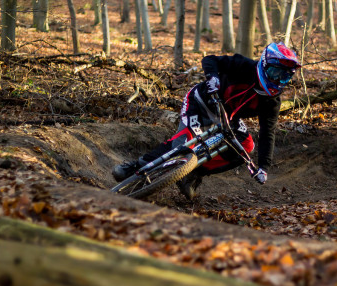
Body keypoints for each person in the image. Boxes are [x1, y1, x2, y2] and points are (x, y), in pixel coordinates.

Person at [112, 42, 301, 199]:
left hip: (226, 117)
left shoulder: (272, 102)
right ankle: (135, 166)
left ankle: (192, 173)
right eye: (277, 73)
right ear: (265, 65)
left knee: (246, 145)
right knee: (184, 143)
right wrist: (213, 78)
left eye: (285, 77)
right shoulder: (245, 66)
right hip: (201, 101)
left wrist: (263, 167)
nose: (279, 81)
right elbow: (210, 60)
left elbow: (268, 133)